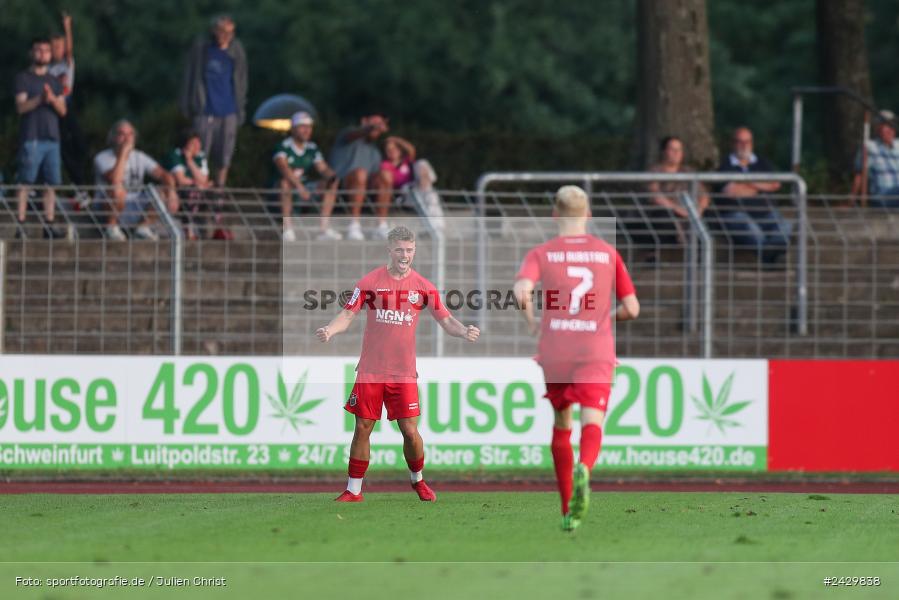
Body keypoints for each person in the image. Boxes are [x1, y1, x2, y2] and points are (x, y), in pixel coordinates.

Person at [315, 225, 480, 502]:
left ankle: (418, 480)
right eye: (400, 250)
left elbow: (446, 320)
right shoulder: (369, 282)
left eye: (410, 250)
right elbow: (347, 314)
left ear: (414, 250)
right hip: (370, 370)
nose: (405, 255)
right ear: (389, 250)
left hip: (403, 373)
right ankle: (353, 490)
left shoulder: (423, 287)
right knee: (363, 427)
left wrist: (463, 331)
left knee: (409, 430)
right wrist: (330, 330)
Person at [513, 186, 639, 531]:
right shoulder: (607, 253)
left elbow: (522, 291)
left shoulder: (542, 253)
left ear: (555, 214)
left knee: (561, 423)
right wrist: (605, 318)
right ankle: (586, 465)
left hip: (556, 347)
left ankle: (568, 508)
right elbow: (632, 308)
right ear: (588, 215)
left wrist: (531, 323)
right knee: (592, 420)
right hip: (594, 347)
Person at [179, 14, 247, 188]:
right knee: (200, 156)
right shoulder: (202, 49)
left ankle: (218, 198)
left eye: (230, 32)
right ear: (214, 31)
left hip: (229, 111)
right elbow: (190, 77)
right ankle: (199, 198)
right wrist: (187, 105)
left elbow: (241, 80)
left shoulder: (236, 50)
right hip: (204, 110)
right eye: (222, 31)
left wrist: (240, 110)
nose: (226, 35)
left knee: (224, 158)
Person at [713, 127, 792, 265]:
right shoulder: (724, 166)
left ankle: (770, 256)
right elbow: (731, 191)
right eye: (740, 142)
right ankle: (772, 259)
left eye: (747, 142)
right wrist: (760, 186)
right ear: (733, 144)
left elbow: (775, 184)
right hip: (736, 214)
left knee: (786, 225)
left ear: (752, 143)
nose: (744, 145)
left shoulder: (763, 163)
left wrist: (746, 182)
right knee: (751, 229)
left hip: (765, 213)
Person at [14, 37, 67, 239]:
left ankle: (49, 223)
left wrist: (51, 99)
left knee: (51, 183)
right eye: (38, 50)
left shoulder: (54, 81)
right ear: (32, 53)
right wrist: (39, 99)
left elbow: (63, 110)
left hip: (52, 138)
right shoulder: (24, 78)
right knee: (25, 182)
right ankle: (20, 224)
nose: (42, 54)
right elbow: (20, 107)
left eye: (46, 51)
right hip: (32, 137)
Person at [93, 119, 179, 241]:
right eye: (122, 134)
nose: (127, 138)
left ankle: (142, 228)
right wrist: (123, 154)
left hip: (136, 205)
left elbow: (164, 175)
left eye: (130, 134)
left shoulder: (139, 156)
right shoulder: (102, 157)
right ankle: (111, 228)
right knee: (118, 189)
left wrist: (171, 191)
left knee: (161, 191)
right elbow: (114, 180)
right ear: (113, 137)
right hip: (107, 209)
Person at [271, 111, 340, 241]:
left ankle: (324, 228)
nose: (307, 130)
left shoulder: (312, 148)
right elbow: (284, 168)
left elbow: (323, 168)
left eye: (309, 126)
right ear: (293, 129)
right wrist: (299, 187)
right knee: (285, 183)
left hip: (304, 186)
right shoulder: (283, 146)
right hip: (281, 189)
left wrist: (332, 177)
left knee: (331, 183)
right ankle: (288, 229)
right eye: (302, 126)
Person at [329, 114, 392, 240]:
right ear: (364, 121)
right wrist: (371, 127)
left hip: (365, 187)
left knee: (385, 175)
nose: (377, 128)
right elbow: (356, 134)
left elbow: (375, 176)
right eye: (374, 124)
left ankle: (381, 226)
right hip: (341, 184)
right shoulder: (348, 135)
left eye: (380, 126)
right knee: (360, 173)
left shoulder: (375, 151)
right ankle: (354, 225)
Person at [49, 11, 89, 190]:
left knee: (79, 143)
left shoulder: (66, 64)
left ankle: (80, 180)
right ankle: (75, 183)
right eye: (54, 47)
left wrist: (67, 27)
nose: (57, 50)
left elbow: (70, 49)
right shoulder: (48, 69)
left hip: (68, 104)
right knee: (62, 146)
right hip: (54, 109)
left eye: (60, 47)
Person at [647, 136, 709, 244]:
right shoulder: (655, 171)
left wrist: (698, 211)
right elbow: (655, 196)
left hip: (690, 215)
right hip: (667, 216)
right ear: (664, 152)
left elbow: (704, 195)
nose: (676, 153)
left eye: (679, 149)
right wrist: (679, 210)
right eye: (672, 149)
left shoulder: (688, 172)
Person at [381, 136, 444, 227]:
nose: (392, 151)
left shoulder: (406, 161)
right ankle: (435, 226)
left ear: (400, 150)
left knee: (422, 163)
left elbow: (411, 150)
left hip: (417, 188)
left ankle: (435, 225)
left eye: (394, 148)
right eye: (389, 150)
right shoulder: (386, 165)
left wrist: (396, 140)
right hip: (403, 194)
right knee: (428, 195)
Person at [167, 129, 211, 240]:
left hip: (197, 192)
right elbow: (181, 180)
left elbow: (204, 179)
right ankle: (189, 232)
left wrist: (190, 162)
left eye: (198, 143)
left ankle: (213, 231)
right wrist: (197, 183)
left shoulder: (200, 156)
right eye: (193, 143)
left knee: (213, 194)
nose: (197, 146)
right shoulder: (175, 155)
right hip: (177, 192)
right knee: (191, 193)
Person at [851, 110, 899, 208]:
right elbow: (859, 176)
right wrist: (851, 201)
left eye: (892, 126)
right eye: (887, 126)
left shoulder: (898, 145)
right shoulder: (869, 147)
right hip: (882, 197)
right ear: (878, 128)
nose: (890, 130)